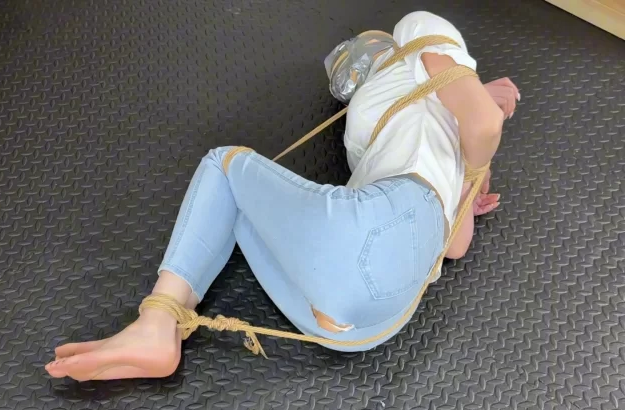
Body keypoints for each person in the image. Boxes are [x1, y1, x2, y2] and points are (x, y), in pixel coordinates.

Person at [45, 11, 519, 381]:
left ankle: (155, 317)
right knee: (235, 212)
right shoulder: (423, 133)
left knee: (223, 164)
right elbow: (455, 246)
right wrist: (470, 173)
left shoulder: (415, 36)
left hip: (369, 241)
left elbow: (482, 122)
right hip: (370, 324)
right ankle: (164, 327)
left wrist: (479, 115)